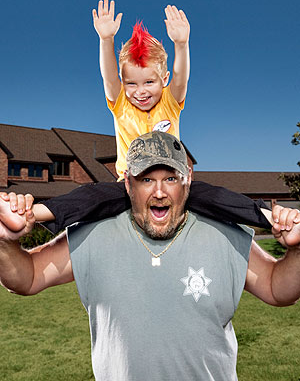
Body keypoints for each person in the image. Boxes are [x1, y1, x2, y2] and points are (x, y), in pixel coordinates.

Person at [1, 131, 300, 380]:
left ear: (188, 179)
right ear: (128, 183)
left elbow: (278, 289)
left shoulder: (226, 234)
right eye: (146, 179)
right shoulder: (93, 235)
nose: (159, 192)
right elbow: (26, 278)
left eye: (170, 178)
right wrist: (4, 242)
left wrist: (297, 250)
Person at [0, 0, 272, 233]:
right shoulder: (120, 103)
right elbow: (108, 75)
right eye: (132, 84)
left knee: (212, 196)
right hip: (129, 183)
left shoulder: (170, 102)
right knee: (92, 196)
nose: (140, 92)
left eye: (149, 83)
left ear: (163, 79)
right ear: (123, 82)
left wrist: (182, 44)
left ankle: (273, 218)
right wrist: (106, 39)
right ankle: (29, 214)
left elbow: (181, 77)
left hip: (171, 181)